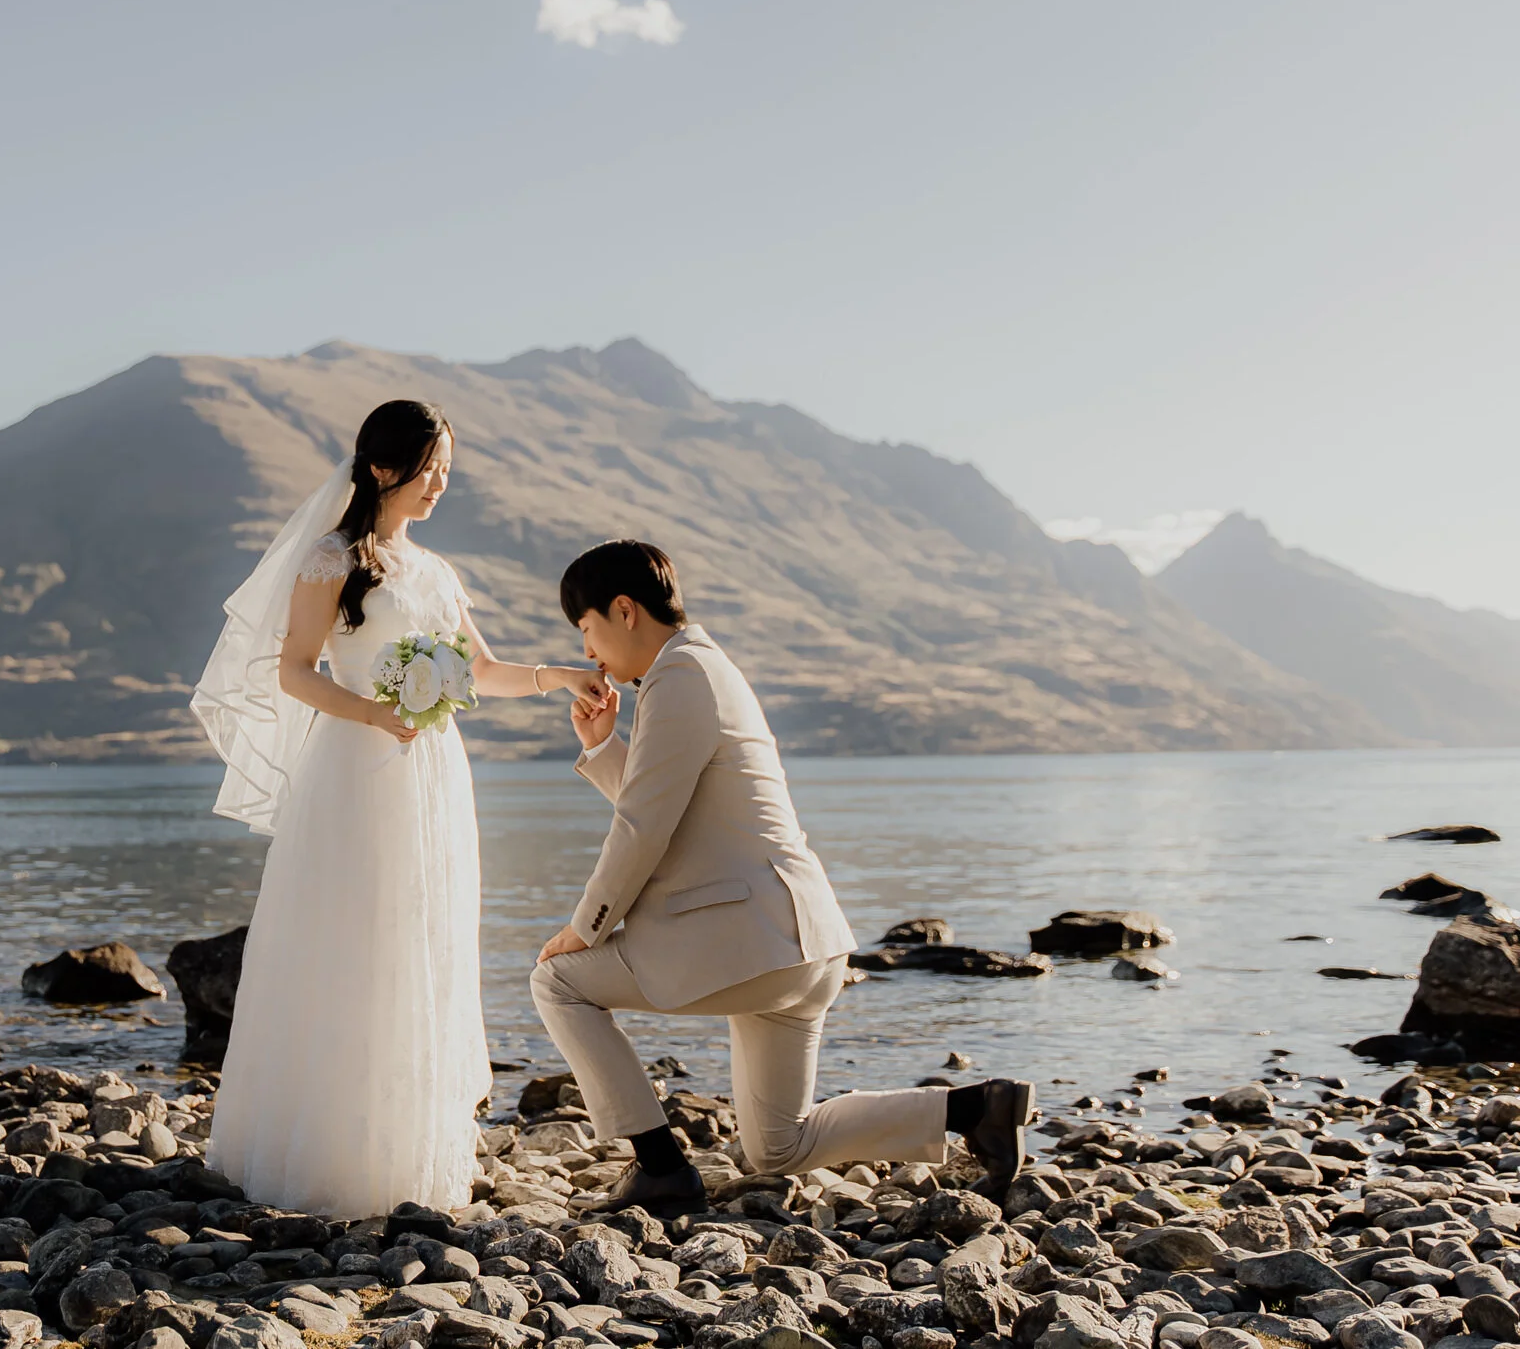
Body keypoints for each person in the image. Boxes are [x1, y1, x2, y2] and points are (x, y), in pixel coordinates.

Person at [191, 399, 610, 1219]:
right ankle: (329, 1158)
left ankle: (411, 1152)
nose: (440, 484)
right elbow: (296, 671)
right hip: (355, 768)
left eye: (448, 469)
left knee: (424, 939)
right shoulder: (331, 558)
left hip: (434, 774)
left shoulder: (437, 573)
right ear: (384, 468)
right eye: (430, 469)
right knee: (353, 939)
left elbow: (477, 669)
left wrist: (557, 676)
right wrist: (374, 712)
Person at [531, 539, 1034, 1216]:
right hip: (801, 945)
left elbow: (643, 831)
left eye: (585, 629)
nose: (588, 651)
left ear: (623, 611)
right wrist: (601, 747)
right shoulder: (703, 668)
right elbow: (673, 813)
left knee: (558, 981)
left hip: (751, 941)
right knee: (778, 1146)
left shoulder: (679, 678)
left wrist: (583, 926)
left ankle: (660, 1166)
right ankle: (977, 1107)